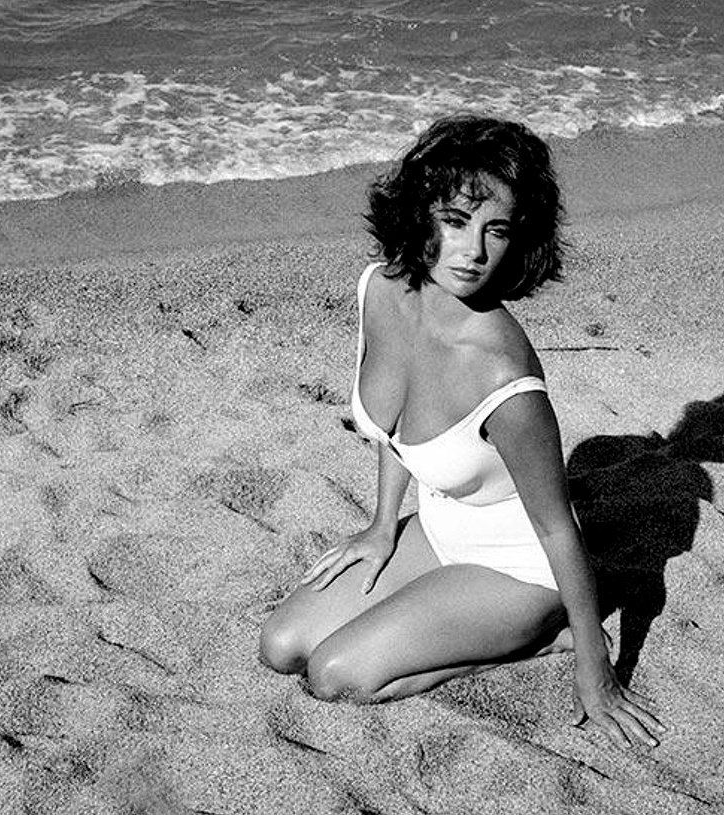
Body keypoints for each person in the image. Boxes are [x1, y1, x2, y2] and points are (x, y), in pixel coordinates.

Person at [260, 115, 666, 748]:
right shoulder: (380, 289)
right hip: (441, 529)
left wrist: (597, 673)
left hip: (518, 568)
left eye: (495, 230)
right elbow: (395, 423)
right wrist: (381, 525)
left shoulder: (504, 377)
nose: (473, 252)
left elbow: (559, 531)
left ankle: (541, 637)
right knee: (281, 645)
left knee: (334, 674)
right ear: (419, 213)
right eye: (455, 221)